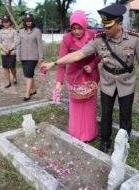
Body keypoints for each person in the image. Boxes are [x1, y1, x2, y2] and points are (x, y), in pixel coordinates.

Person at [41, 4, 139, 153]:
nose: (105, 29)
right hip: (107, 81)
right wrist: (53, 63)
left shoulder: (134, 39)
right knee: (106, 113)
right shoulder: (99, 40)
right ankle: (105, 141)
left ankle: (123, 144)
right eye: (103, 25)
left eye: (109, 26)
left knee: (125, 115)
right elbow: (78, 55)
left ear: (119, 23)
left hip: (127, 82)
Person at [54, 10, 100, 142]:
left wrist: (92, 65)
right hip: (73, 77)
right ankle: (76, 134)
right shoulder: (67, 39)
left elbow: (101, 54)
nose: (77, 31)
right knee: (76, 107)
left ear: (85, 25)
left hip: (90, 76)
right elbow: (62, 61)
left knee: (89, 107)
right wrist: (59, 81)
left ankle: (90, 134)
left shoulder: (93, 35)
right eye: (74, 28)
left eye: (79, 28)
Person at [17, 13, 43, 101]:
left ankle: (27, 93)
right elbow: (18, 45)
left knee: (28, 75)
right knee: (29, 74)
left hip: (33, 57)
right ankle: (33, 89)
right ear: (25, 22)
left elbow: (39, 45)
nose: (28, 22)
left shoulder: (37, 31)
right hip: (23, 56)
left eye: (30, 21)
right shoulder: (21, 31)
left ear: (32, 21)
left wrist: (41, 57)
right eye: (27, 21)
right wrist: (17, 55)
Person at [0, 15, 18, 88]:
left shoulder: (14, 31)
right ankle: (8, 82)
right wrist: (4, 49)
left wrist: (9, 49)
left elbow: (16, 42)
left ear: (10, 22)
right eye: (4, 22)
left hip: (12, 53)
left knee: (12, 67)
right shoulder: (0, 31)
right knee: (5, 67)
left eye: (7, 22)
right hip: (4, 52)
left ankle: (14, 76)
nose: (5, 23)